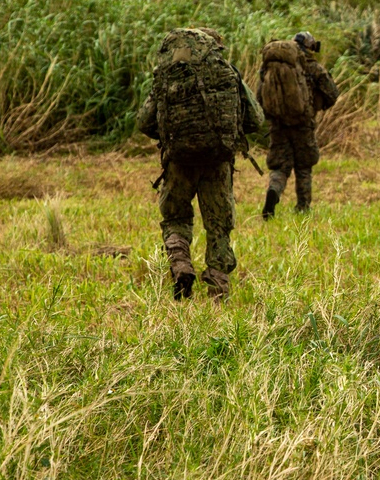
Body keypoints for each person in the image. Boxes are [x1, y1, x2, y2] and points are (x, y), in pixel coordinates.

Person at [137, 27, 264, 301]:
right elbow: (256, 118)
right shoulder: (226, 73)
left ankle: (181, 265)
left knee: (175, 218)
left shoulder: (168, 75)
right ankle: (219, 290)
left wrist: (173, 136)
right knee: (218, 226)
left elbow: (143, 121)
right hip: (217, 161)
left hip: (178, 162)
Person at [259, 31, 339, 219]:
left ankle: (274, 191)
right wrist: (317, 105)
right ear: (310, 47)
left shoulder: (270, 67)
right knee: (304, 166)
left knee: (280, 167)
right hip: (304, 124)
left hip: (278, 125)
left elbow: (259, 97)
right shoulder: (313, 68)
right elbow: (332, 94)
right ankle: (303, 207)